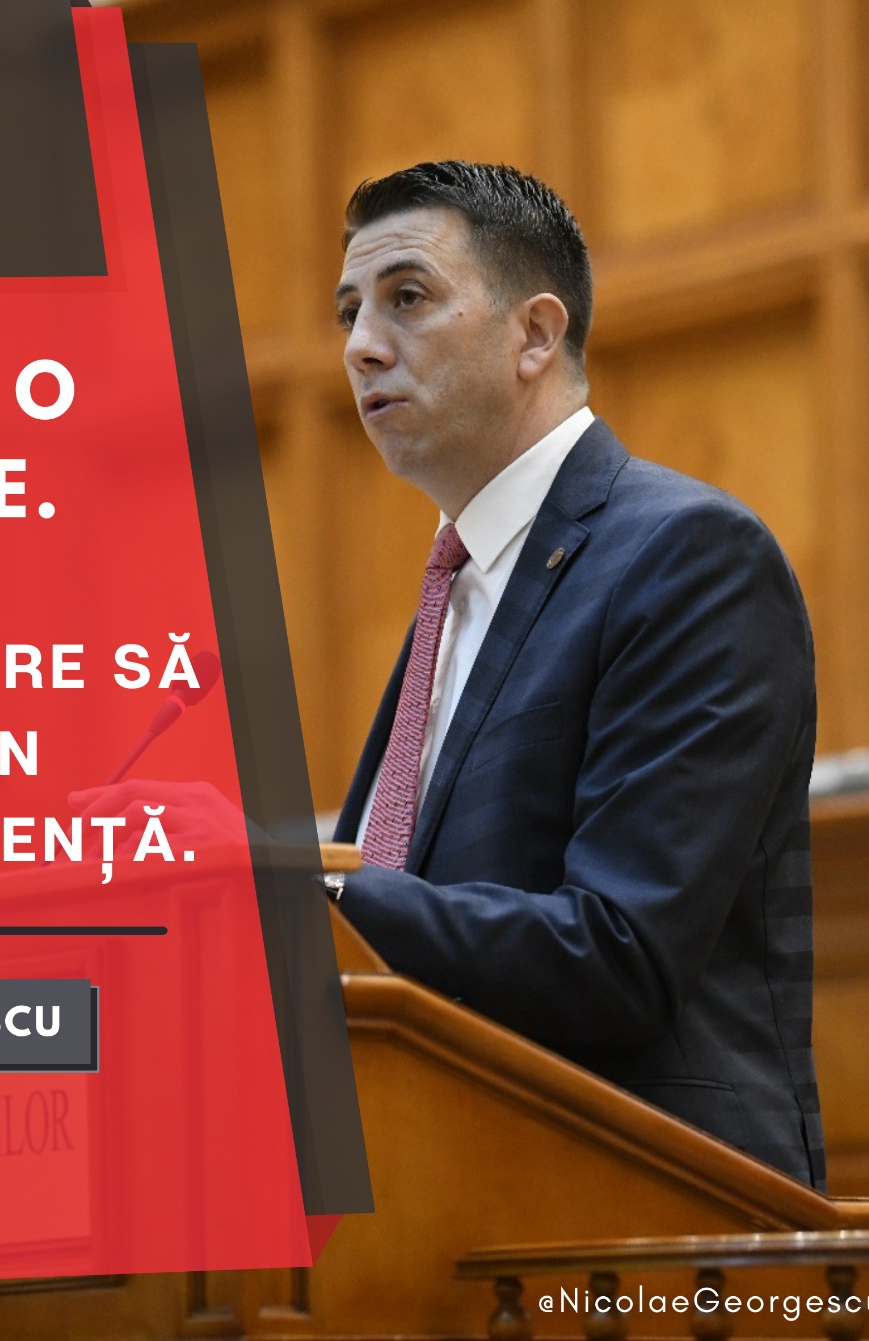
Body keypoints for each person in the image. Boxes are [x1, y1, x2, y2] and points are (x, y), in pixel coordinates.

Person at [327, 161, 825, 1190]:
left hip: (660, 1212)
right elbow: (413, 905)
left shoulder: (687, 556)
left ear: (535, 334)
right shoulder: (458, 585)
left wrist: (292, 890)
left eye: (407, 298)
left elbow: (621, 955)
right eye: (349, 312)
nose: (362, 345)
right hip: (450, 1187)